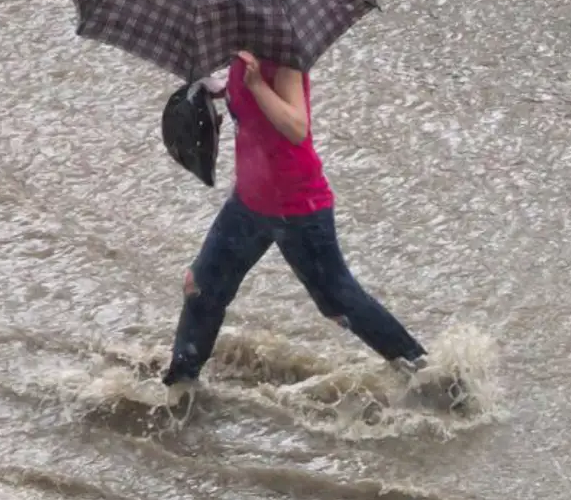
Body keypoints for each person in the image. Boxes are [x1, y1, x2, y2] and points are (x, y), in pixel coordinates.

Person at [162, 51, 464, 406]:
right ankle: (180, 390)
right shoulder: (240, 54)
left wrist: (258, 86)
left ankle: (428, 377)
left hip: (298, 208)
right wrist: (212, 89)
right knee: (201, 287)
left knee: (338, 303)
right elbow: (244, 105)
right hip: (248, 203)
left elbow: (295, 126)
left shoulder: (283, 55)